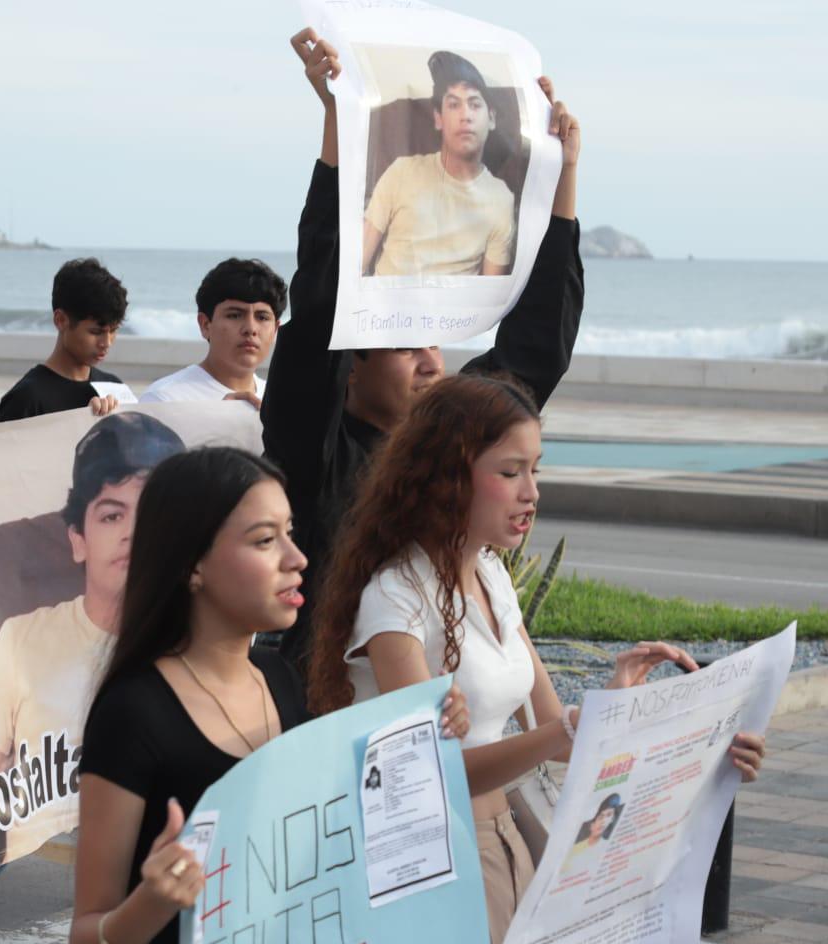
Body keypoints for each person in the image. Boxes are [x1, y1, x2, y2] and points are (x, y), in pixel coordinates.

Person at [306, 375, 767, 944]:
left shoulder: (491, 575)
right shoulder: (395, 598)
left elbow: (556, 729)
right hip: (436, 855)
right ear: (445, 476)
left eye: (536, 470)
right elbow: (433, 770)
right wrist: (568, 730)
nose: (531, 493)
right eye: (509, 472)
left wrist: (703, 739)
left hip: (509, 836)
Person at [66, 447, 467, 944]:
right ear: (192, 565)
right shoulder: (134, 711)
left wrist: (418, 739)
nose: (297, 559)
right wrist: (154, 900)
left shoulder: (278, 677)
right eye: (264, 540)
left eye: (291, 534)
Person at [265, 30, 586, 667]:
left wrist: (562, 172)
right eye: (406, 347)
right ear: (350, 368)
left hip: (461, 691)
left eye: (435, 342)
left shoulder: (450, 439)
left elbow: (537, 349)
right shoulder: (317, 452)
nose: (432, 363)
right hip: (341, 692)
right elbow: (322, 308)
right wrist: (338, 120)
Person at [0, 412, 185, 863]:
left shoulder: (196, 643)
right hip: (37, 869)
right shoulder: (22, 638)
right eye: (112, 515)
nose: (131, 533)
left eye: (151, 513)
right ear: (78, 539)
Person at [362, 50, 515, 278]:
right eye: (453, 105)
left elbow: (492, 293)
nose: (465, 115)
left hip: (457, 303)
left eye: (474, 104)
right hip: (386, 301)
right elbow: (356, 264)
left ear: (491, 118)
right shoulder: (401, 172)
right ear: (438, 118)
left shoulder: (501, 199)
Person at [137, 259, 286, 409]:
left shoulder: (282, 400)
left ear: (275, 329)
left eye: (262, 317)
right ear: (205, 325)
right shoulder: (163, 400)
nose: (250, 328)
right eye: (234, 315)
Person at [0, 258, 129, 422]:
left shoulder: (114, 389)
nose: (106, 343)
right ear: (60, 320)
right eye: (96, 332)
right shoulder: (25, 400)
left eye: (113, 330)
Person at [562, 794, 623, 872]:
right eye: (601, 817)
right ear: (592, 825)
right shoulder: (574, 850)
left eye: (609, 815)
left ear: (613, 820)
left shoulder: (610, 848)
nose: (603, 821)